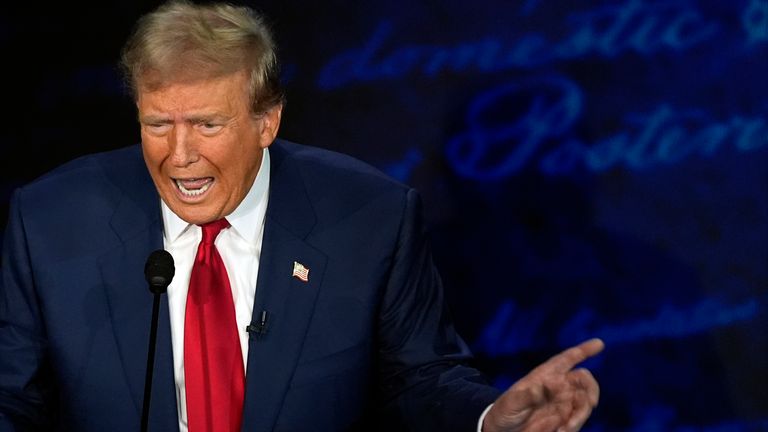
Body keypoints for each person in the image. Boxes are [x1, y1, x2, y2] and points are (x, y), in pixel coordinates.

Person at [0, 1, 603, 431]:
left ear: (268, 121)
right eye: (158, 124)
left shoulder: (370, 218)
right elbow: (12, 401)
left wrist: (488, 418)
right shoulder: (50, 221)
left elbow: (420, 378)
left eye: (208, 124)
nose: (178, 154)